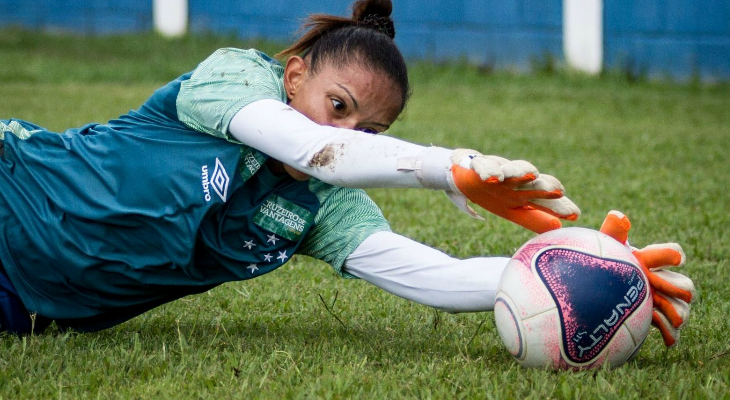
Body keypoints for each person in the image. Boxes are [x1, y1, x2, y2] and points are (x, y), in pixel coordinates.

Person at [0, 0, 692, 348]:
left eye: (370, 130)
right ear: (295, 75)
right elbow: (308, 145)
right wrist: (444, 168)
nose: (348, 135)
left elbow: (436, 276)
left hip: (25, 306)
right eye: (338, 106)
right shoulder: (234, 79)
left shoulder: (322, 206)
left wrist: (593, 270)